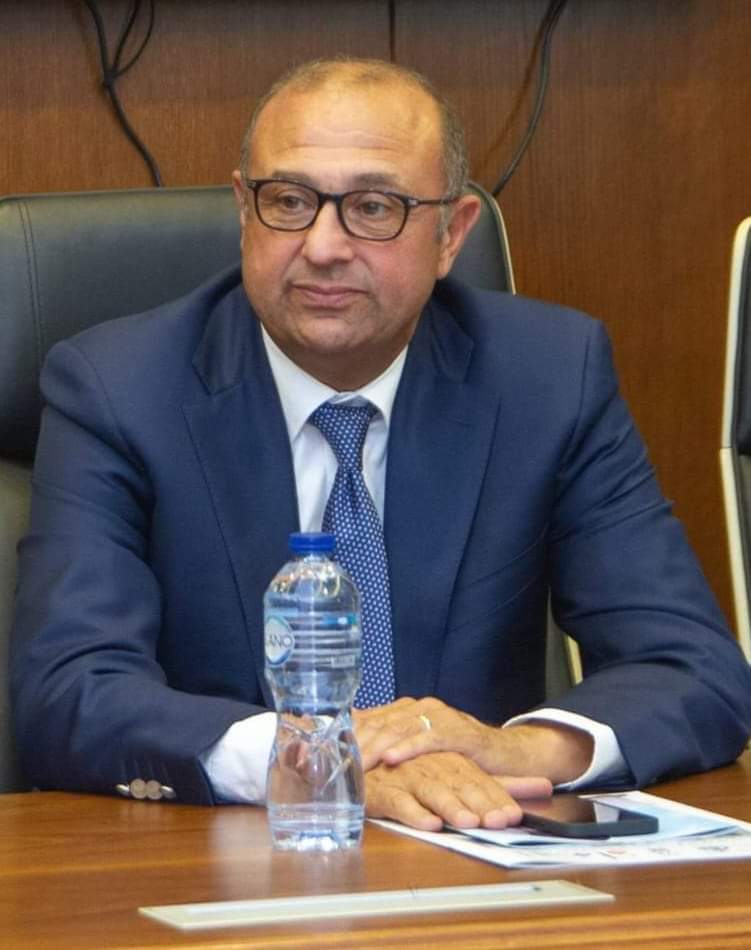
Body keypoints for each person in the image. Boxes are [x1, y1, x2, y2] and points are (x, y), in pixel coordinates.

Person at [11, 57, 751, 831]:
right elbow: (69, 691)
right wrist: (315, 759)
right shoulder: (119, 388)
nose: (323, 246)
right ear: (243, 211)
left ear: (450, 234)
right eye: (288, 201)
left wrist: (516, 748)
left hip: (476, 850)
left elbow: (690, 669)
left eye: (373, 207)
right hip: (219, 860)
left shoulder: (548, 377)